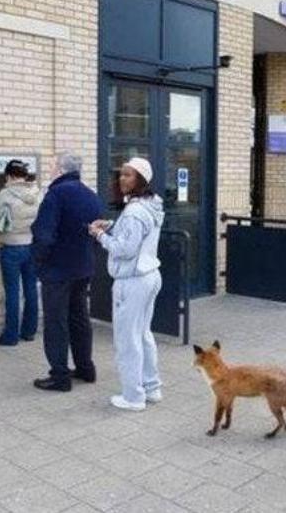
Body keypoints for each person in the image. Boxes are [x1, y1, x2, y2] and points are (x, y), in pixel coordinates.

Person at [89, 157, 164, 411]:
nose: (122, 179)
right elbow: (138, 232)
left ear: (141, 179)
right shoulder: (151, 205)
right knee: (143, 334)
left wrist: (100, 235)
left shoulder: (133, 211)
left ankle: (133, 397)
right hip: (150, 274)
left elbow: (125, 249)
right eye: (121, 174)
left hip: (132, 280)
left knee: (127, 339)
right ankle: (151, 388)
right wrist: (111, 225)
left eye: (129, 175)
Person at [31, 152, 103, 392]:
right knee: (80, 318)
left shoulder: (56, 194)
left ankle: (59, 375)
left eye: (52, 166)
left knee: (56, 322)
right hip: (83, 267)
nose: (50, 170)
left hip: (57, 270)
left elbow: (43, 234)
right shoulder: (91, 195)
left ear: (61, 169)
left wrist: (38, 262)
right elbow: (97, 231)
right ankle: (85, 368)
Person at [0, 160, 40, 346]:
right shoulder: (37, 192)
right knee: (31, 289)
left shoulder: (5, 193)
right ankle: (29, 331)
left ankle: (10, 336)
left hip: (11, 247)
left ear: (9, 175)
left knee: (12, 292)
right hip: (31, 245)